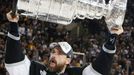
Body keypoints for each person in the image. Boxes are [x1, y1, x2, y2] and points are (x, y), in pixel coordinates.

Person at [5, 11, 123, 75]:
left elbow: (99, 70)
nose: (53, 55)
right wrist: (13, 24)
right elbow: (14, 62)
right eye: (53, 52)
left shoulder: (77, 74)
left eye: (60, 53)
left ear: (68, 60)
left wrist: (112, 38)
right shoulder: (35, 70)